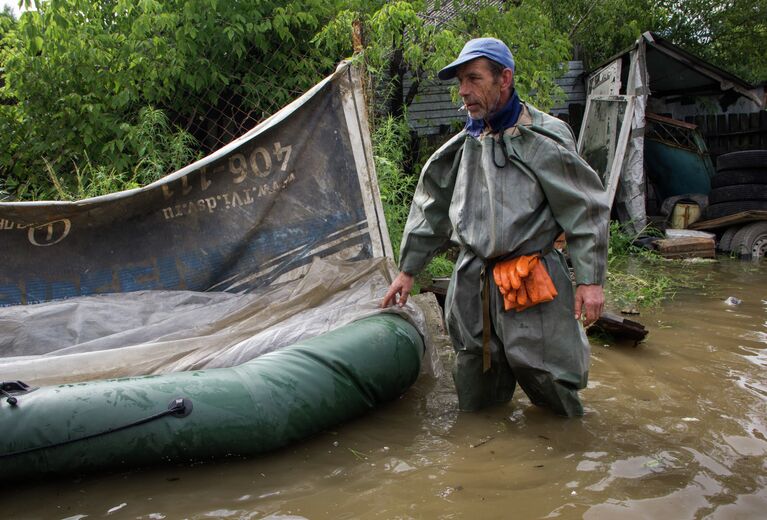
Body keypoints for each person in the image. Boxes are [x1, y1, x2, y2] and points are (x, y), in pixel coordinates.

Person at [381, 37, 609, 417]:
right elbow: (430, 208)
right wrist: (407, 271)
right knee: (475, 377)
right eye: (460, 83)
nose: (464, 92)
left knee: (550, 379)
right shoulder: (462, 146)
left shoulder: (545, 137)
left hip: (532, 277)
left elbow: (584, 207)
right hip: (474, 281)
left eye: (473, 79)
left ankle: (568, 457)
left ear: (505, 78)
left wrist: (590, 280)